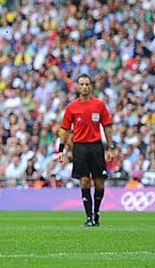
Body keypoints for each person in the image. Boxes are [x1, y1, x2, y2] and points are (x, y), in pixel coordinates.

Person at [57, 74, 115, 227]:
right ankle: (89, 217)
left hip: (96, 146)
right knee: (84, 181)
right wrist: (61, 149)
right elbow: (65, 129)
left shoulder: (99, 105)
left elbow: (107, 126)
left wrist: (110, 147)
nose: (84, 87)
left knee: (99, 183)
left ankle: (96, 213)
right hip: (80, 147)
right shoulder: (71, 107)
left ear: (91, 87)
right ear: (77, 87)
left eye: (86, 84)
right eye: (81, 84)